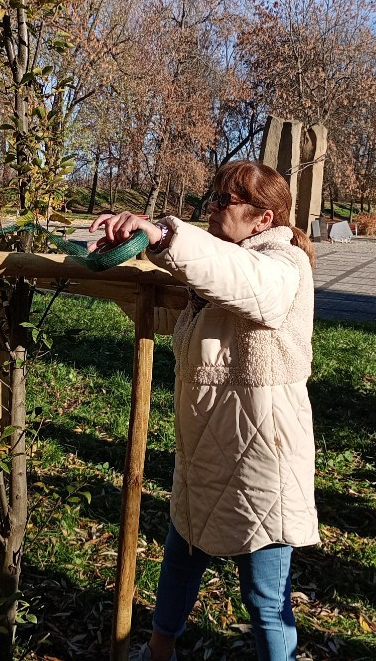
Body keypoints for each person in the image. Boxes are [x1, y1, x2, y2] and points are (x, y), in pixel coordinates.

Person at [90, 161, 319, 661]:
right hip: (206, 453)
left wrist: (163, 232)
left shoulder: (282, 267)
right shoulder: (221, 270)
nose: (213, 208)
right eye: (211, 198)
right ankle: (158, 652)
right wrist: (115, 261)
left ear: (263, 219)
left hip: (261, 457)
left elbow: (241, 279)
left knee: (264, 595)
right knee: (180, 559)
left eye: (225, 201)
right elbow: (181, 308)